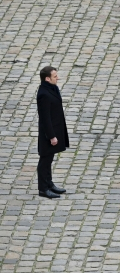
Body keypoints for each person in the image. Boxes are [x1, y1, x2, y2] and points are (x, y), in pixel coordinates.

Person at [37, 66, 69, 199]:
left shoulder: (53, 88)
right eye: (55, 76)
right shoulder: (43, 94)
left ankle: (49, 184)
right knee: (45, 160)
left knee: (49, 159)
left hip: (56, 128)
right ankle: (43, 189)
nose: (58, 78)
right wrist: (51, 136)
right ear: (47, 78)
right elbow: (45, 118)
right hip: (48, 133)